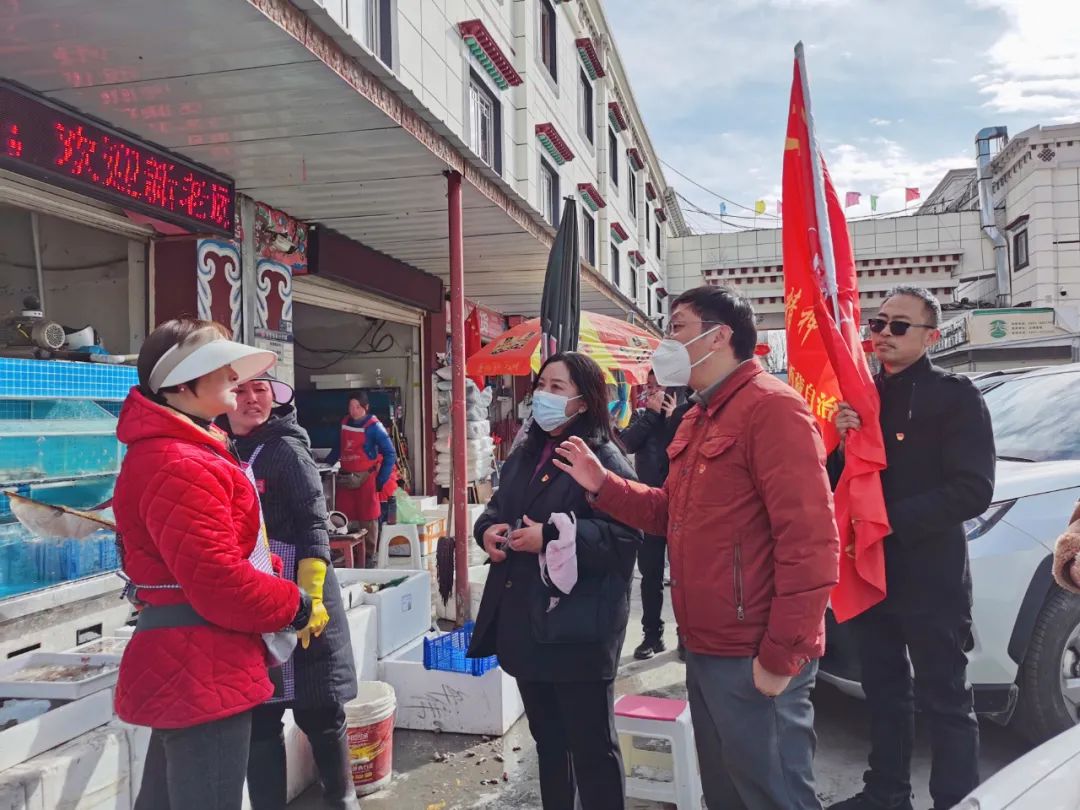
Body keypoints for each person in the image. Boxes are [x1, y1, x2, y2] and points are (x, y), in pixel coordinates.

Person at [553, 286, 839, 810]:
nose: (667, 342)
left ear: (719, 336)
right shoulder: (699, 415)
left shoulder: (772, 409)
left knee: (773, 794)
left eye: (677, 327)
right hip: (706, 643)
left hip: (754, 648)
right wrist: (603, 484)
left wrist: (782, 653)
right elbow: (670, 512)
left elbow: (811, 542)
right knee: (726, 792)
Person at [112, 319, 317, 810]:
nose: (233, 375)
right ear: (181, 384)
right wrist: (293, 602)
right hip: (203, 663)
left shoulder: (180, 450)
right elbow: (219, 580)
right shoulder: (181, 461)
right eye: (218, 365)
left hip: (191, 659)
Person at [828, 285, 995, 810]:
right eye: (877, 324)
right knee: (883, 691)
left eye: (898, 326)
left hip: (930, 572)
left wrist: (888, 522)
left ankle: (956, 800)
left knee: (945, 697)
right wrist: (839, 443)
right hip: (871, 569)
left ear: (931, 336)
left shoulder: (955, 396)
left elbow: (973, 489)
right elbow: (840, 484)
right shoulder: (861, 396)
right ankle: (886, 793)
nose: (883, 334)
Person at [466, 351, 640, 810]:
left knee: (592, 749)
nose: (543, 395)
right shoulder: (526, 453)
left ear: (584, 401)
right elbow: (496, 509)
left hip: (578, 630)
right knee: (549, 743)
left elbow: (626, 536)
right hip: (527, 622)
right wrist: (488, 532)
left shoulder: (602, 458)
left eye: (557, 387)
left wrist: (553, 536)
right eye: (541, 385)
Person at [224, 376, 359, 810]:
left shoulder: (285, 449)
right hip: (254, 597)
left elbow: (313, 523)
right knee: (260, 717)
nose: (251, 399)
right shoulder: (221, 449)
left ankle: (342, 801)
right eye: (240, 391)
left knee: (320, 712)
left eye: (260, 390)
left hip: (303, 593)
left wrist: (310, 595)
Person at [619, 371, 691, 660]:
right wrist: (650, 415)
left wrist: (674, 419)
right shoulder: (641, 416)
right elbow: (626, 443)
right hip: (650, 507)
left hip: (682, 507)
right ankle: (652, 635)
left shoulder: (687, 416)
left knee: (683, 576)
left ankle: (685, 636)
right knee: (650, 575)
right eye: (649, 386)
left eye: (658, 385)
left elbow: (687, 448)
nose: (653, 391)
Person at [326, 392, 396, 558]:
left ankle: (369, 556)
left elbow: (390, 453)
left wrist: (381, 480)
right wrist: (325, 465)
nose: (354, 410)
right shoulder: (344, 423)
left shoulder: (375, 427)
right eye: (351, 406)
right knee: (344, 517)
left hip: (367, 480)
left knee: (368, 516)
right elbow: (338, 448)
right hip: (346, 479)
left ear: (366, 407)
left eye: (358, 407)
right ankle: (346, 556)